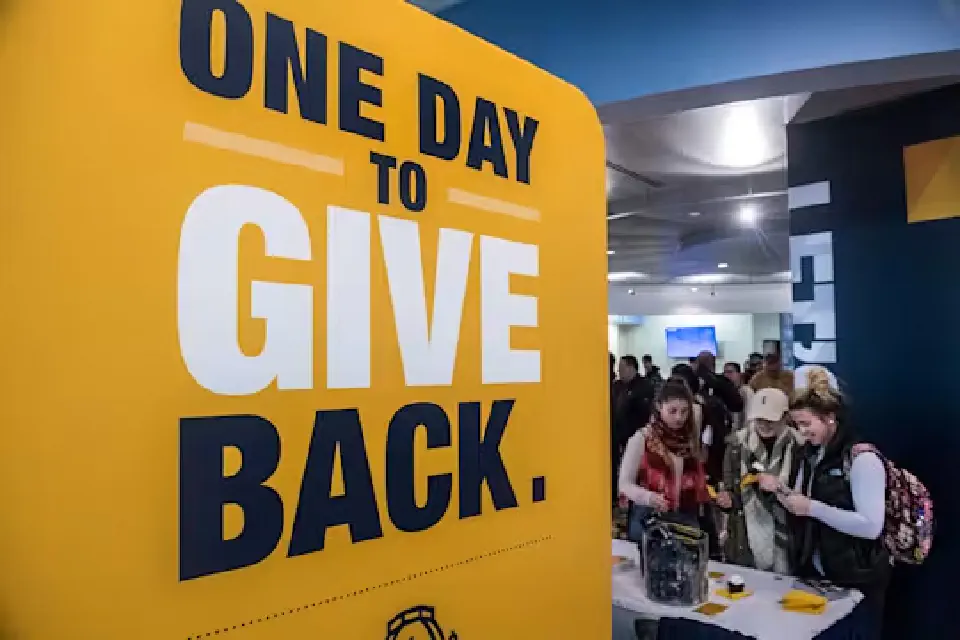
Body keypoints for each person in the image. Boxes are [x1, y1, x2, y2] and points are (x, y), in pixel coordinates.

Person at [762, 368, 890, 638]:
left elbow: (871, 526)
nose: (802, 431)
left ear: (830, 418)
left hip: (858, 579)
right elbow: (807, 501)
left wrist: (812, 508)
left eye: (807, 424)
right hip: (819, 574)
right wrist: (785, 495)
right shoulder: (811, 452)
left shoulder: (862, 458)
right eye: (798, 425)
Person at [717, 388, 801, 574]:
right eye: (759, 419)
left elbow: (803, 495)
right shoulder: (736, 445)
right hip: (745, 536)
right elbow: (732, 490)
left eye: (770, 419)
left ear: (785, 417)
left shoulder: (800, 447)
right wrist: (727, 501)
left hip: (789, 535)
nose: (764, 424)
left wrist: (778, 489)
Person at [618, 379, 710, 526]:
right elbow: (624, 483)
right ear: (659, 406)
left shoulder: (688, 439)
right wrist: (648, 497)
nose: (679, 417)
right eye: (672, 411)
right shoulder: (642, 438)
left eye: (684, 411)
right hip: (650, 519)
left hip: (686, 520)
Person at [612, 355, 655, 461]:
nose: (619, 371)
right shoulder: (617, 386)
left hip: (636, 439)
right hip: (618, 439)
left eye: (621, 368)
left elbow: (643, 415)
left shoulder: (644, 386)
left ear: (631, 368)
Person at [723, 362, 755, 432]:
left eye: (730, 372)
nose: (726, 375)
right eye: (725, 373)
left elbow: (750, 418)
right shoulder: (723, 392)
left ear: (739, 374)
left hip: (742, 434)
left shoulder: (747, 391)